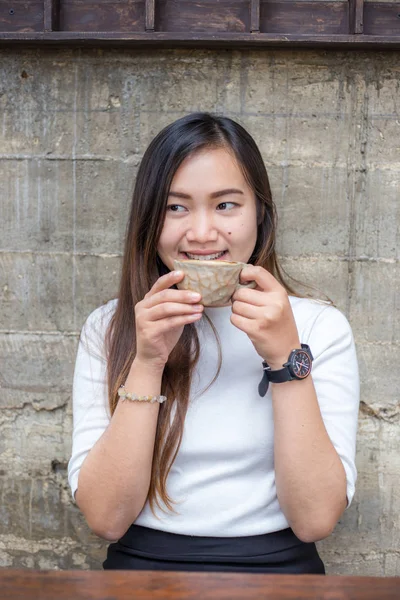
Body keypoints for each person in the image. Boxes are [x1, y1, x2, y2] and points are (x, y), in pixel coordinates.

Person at [68, 113, 359, 574]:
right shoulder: (110, 326)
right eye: (176, 207)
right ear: (149, 219)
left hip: (279, 569)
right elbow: (105, 518)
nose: (202, 234)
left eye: (226, 205)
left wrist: (285, 358)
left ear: (259, 213)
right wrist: (148, 360)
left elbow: (316, 519)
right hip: (144, 568)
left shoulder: (319, 327)